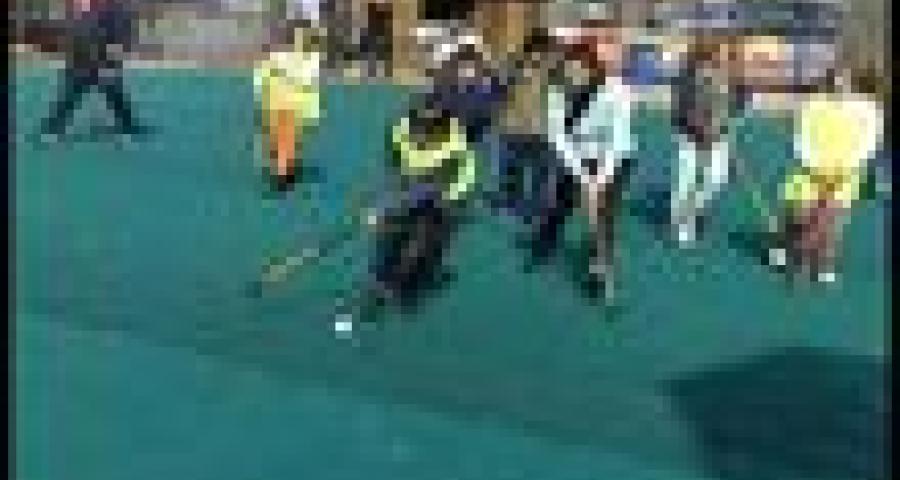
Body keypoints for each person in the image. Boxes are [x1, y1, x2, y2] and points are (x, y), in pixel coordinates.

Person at [332, 106, 480, 331]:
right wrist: (384, 200)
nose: (420, 137)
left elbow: (432, 187)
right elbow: (395, 168)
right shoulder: (400, 131)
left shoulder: (453, 146)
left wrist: (386, 208)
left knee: (422, 243)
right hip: (413, 186)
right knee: (388, 236)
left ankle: (406, 289)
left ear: (439, 131)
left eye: (427, 133)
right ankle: (380, 285)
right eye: (417, 130)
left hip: (448, 195)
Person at [542, 17, 636, 302]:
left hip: (615, 157)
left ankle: (600, 266)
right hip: (576, 154)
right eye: (572, 68)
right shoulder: (558, 86)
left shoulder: (618, 90)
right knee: (562, 202)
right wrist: (584, 177)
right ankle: (546, 238)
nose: (576, 75)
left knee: (605, 212)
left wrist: (600, 180)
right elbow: (557, 135)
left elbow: (617, 141)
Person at [770, 71, 884, 283]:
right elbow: (800, 137)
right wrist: (813, 164)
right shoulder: (812, 106)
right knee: (798, 212)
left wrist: (846, 168)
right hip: (810, 170)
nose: (838, 86)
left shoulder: (867, 110)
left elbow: (869, 142)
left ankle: (823, 261)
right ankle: (784, 246)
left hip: (844, 174)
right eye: (833, 82)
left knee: (831, 217)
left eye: (844, 82)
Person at [40, 0, 143, 140]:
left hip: (99, 62)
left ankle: (128, 125)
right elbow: (72, 37)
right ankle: (53, 126)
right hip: (84, 62)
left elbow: (119, 37)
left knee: (114, 96)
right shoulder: (84, 15)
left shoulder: (109, 14)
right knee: (71, 97)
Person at [669, 36, 737, 246]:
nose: (723, 55)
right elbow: (682, 107)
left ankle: (690, 210)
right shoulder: (687, 77)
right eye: (720, 51)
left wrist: (722, 130)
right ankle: (682, 226)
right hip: (690, 134)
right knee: (686, 179)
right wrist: (702, 129)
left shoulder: (723, 76)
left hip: (718, 135)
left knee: (717, 177)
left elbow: (725, 107)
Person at [254, 21, 324, 192]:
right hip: (281, 102)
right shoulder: (300, 61)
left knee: (285, 138)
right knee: (282, 139)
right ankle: (284, 170)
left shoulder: (306, 62)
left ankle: (283, 173)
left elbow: (264, 77)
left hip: (284, 102)